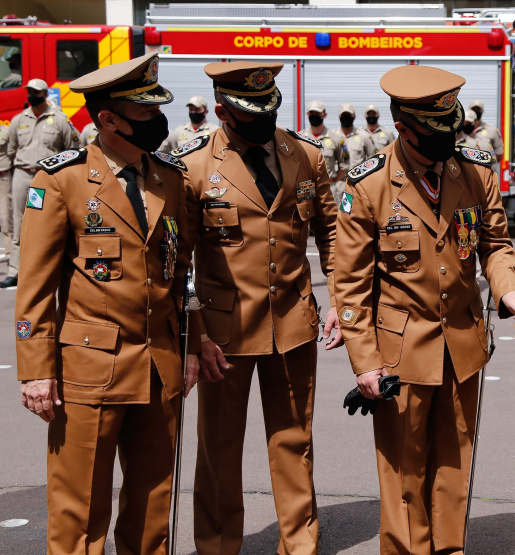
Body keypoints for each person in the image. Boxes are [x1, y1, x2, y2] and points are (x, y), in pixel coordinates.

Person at [333, 64, 515, 555]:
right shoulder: (368, 184)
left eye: (452, 126)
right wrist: (365, 362)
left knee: (455, 460)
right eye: (433, 130)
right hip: (399, 351)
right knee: (405, 467)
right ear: (403, 126)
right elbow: (350, 283)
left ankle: (450, 549)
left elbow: (496, 244)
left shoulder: (473, 170)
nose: (447, 138)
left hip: (464, 344)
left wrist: (507, 288)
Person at [16, 52, 199, 554]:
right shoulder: (62, 180)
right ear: (108, 120)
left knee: (153, 504)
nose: (159, 121)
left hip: (160, 364)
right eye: (145, 114)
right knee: (80, 508)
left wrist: (192, 345)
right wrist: (36, 370)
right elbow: (35, 286)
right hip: (88, 367)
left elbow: (180, 272)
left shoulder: (170, 177)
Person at [179, 61, 339, 555]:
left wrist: (337, 295)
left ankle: (299, 544)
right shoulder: (193, 167)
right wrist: (193, 332)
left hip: (293, 321)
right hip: (223, 332)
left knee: (294, 442)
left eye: (270, 107)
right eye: (251, 112)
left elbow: (332, 231)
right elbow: (176, 257)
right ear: (223, 112)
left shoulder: (305, 156)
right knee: (219, 449)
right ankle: (218, 544)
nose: (264, 120)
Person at [5, 78, 80, 288]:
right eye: (29, 92)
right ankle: (16, 271)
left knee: (50, 221)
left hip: (48, 177)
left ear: (45, 95)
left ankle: (49, 268)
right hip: (22, 174)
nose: (32, 96)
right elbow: (12, 149)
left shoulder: (60, 120)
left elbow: (71, 148)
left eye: (36, 93)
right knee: (19, 221)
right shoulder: (19, 120)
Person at [301, 100, 347, 204]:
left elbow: (344, 165)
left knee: (331, 218)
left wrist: (331, 181)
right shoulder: (300, 138)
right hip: (306, 188)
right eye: (311, 113)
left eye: (317, 113)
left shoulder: (337, 138)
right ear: (307, 114)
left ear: (324, 115)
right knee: (305, 217)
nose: (314, 116)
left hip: (328, 187)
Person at [334, 103, 375, 204]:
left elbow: (373, 159)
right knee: (335, 216)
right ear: (339, 117)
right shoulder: (333, 136)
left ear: (354, 117)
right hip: (337, 186)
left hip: (355, 185)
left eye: (348, 116)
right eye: (343, 116)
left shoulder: (363, 136)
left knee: (351, 215)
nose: (346, 118)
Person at [0, 124, 11, 261]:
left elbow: (13, 151)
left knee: (5, 218)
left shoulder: (6, 131)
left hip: (3, 177)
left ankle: (10, 256)